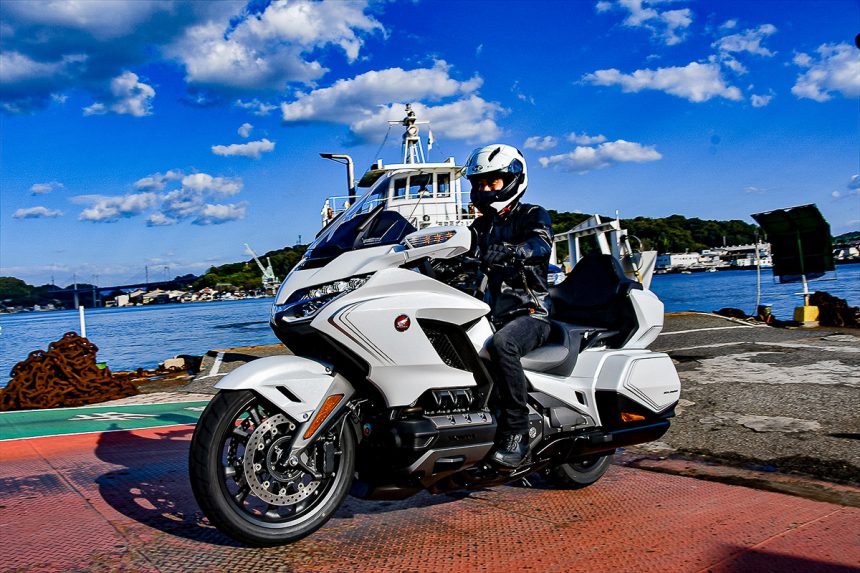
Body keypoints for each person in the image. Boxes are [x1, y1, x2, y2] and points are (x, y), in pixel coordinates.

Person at [464, 144, 553, 468]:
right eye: (480, 183)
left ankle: (517, 434)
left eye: (494, 182)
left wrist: (516, 251)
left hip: (529, 311)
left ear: (513, 179)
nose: (486, 189)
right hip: (487, 313)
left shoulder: (532, 214)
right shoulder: (478, 227)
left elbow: (541, 243)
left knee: (503, 345)